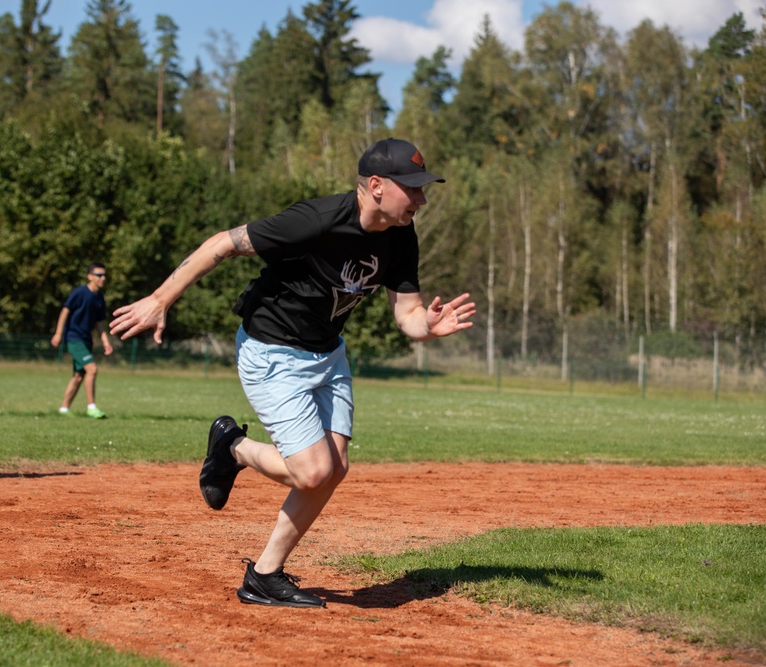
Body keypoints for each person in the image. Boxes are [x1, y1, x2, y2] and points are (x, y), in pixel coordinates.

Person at [110, 138, 476, 608]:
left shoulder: (401, 236)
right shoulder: (317, 219)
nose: (422, 200)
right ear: (378, 186)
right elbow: (223, 244)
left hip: (327, 353)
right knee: (313, 471)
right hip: (272, 350)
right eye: (415, 189)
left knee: (334, 469)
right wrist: (160, 299)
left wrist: (427, 325)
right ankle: (234, 448)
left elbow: (407, 314)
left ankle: (264, 576)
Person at [50, 263, 114, 418]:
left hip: (86, 340)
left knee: (79, 376)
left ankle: (63, 409)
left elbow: (99, 323)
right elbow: (65, 311)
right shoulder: (79, 292)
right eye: (99, 275)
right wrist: (58, 333)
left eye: (104, 275)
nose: (103, 278)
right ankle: (91, 408)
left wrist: (105, 341)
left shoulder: (99, 297)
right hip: (74, 338)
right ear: (90, 276)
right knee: (92, 369)